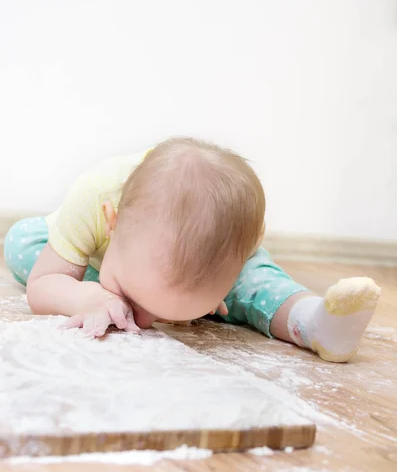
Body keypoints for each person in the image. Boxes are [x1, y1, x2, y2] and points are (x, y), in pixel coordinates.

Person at [4, 137, 380, 362]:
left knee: (254, 284)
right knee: (22, 241)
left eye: (170, 314)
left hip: (213, 258)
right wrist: (81, 296)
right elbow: (42, 285)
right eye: (131, 297)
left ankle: (313, 322)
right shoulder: (95, 197)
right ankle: (138, 292)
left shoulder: (231, 241)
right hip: (80, 244)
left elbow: (239, 269)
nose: (145, 324)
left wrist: (221, 285)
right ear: (113, 219)